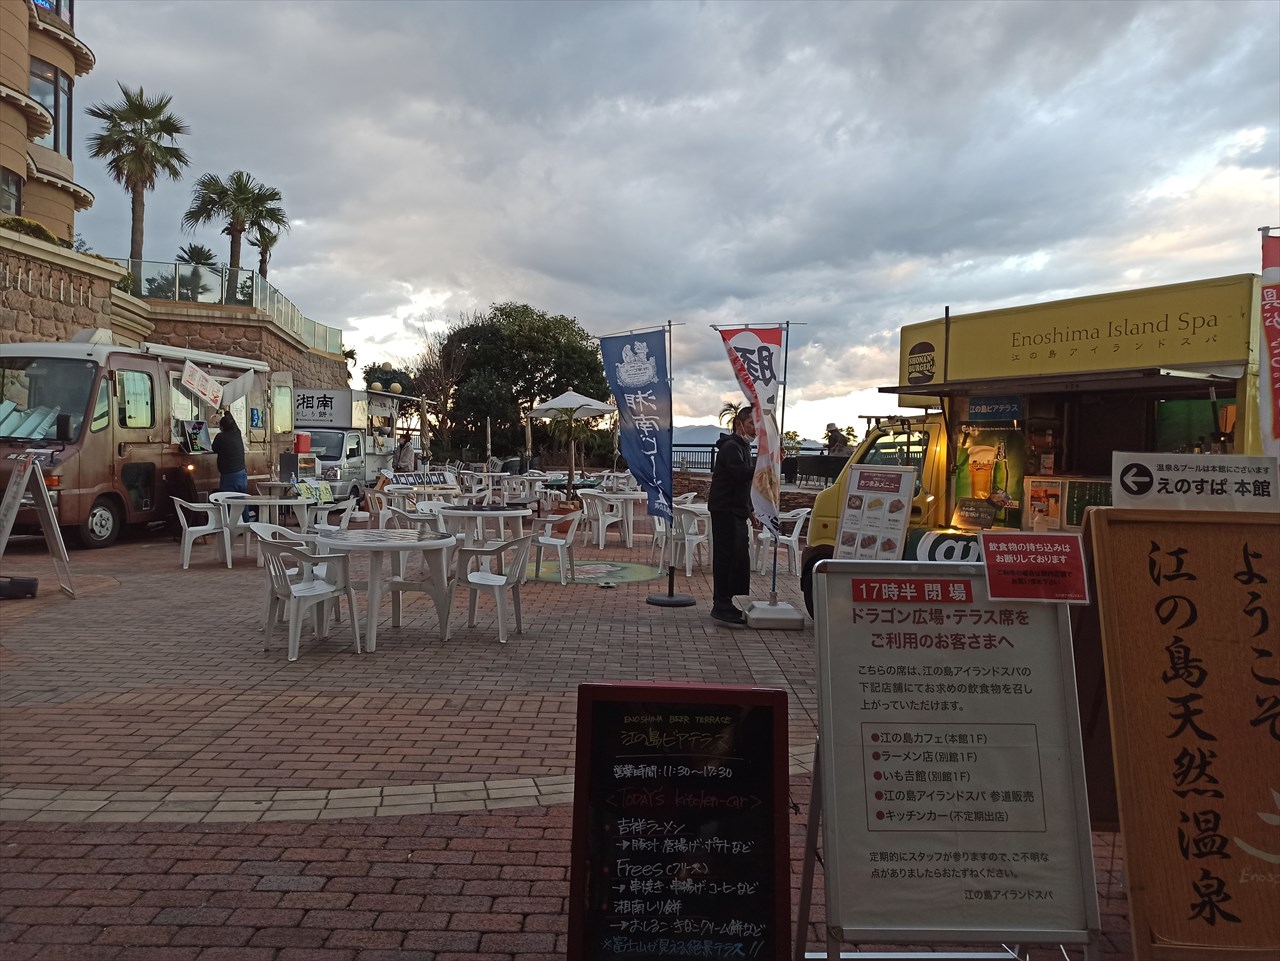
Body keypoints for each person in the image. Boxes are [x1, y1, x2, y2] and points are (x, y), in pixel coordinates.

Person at [708, 407, 757, 626]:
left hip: (736, 510)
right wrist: (766, 464)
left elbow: (744, 484)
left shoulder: (743, 447)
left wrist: (751, 509)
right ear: (739, 424)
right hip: (725, 510)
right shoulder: (730, 448)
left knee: (737, 556)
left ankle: (726, 602)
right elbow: (741, 474)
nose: (755, 431)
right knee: (726, 556)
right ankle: (721, 604)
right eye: (751, 425)